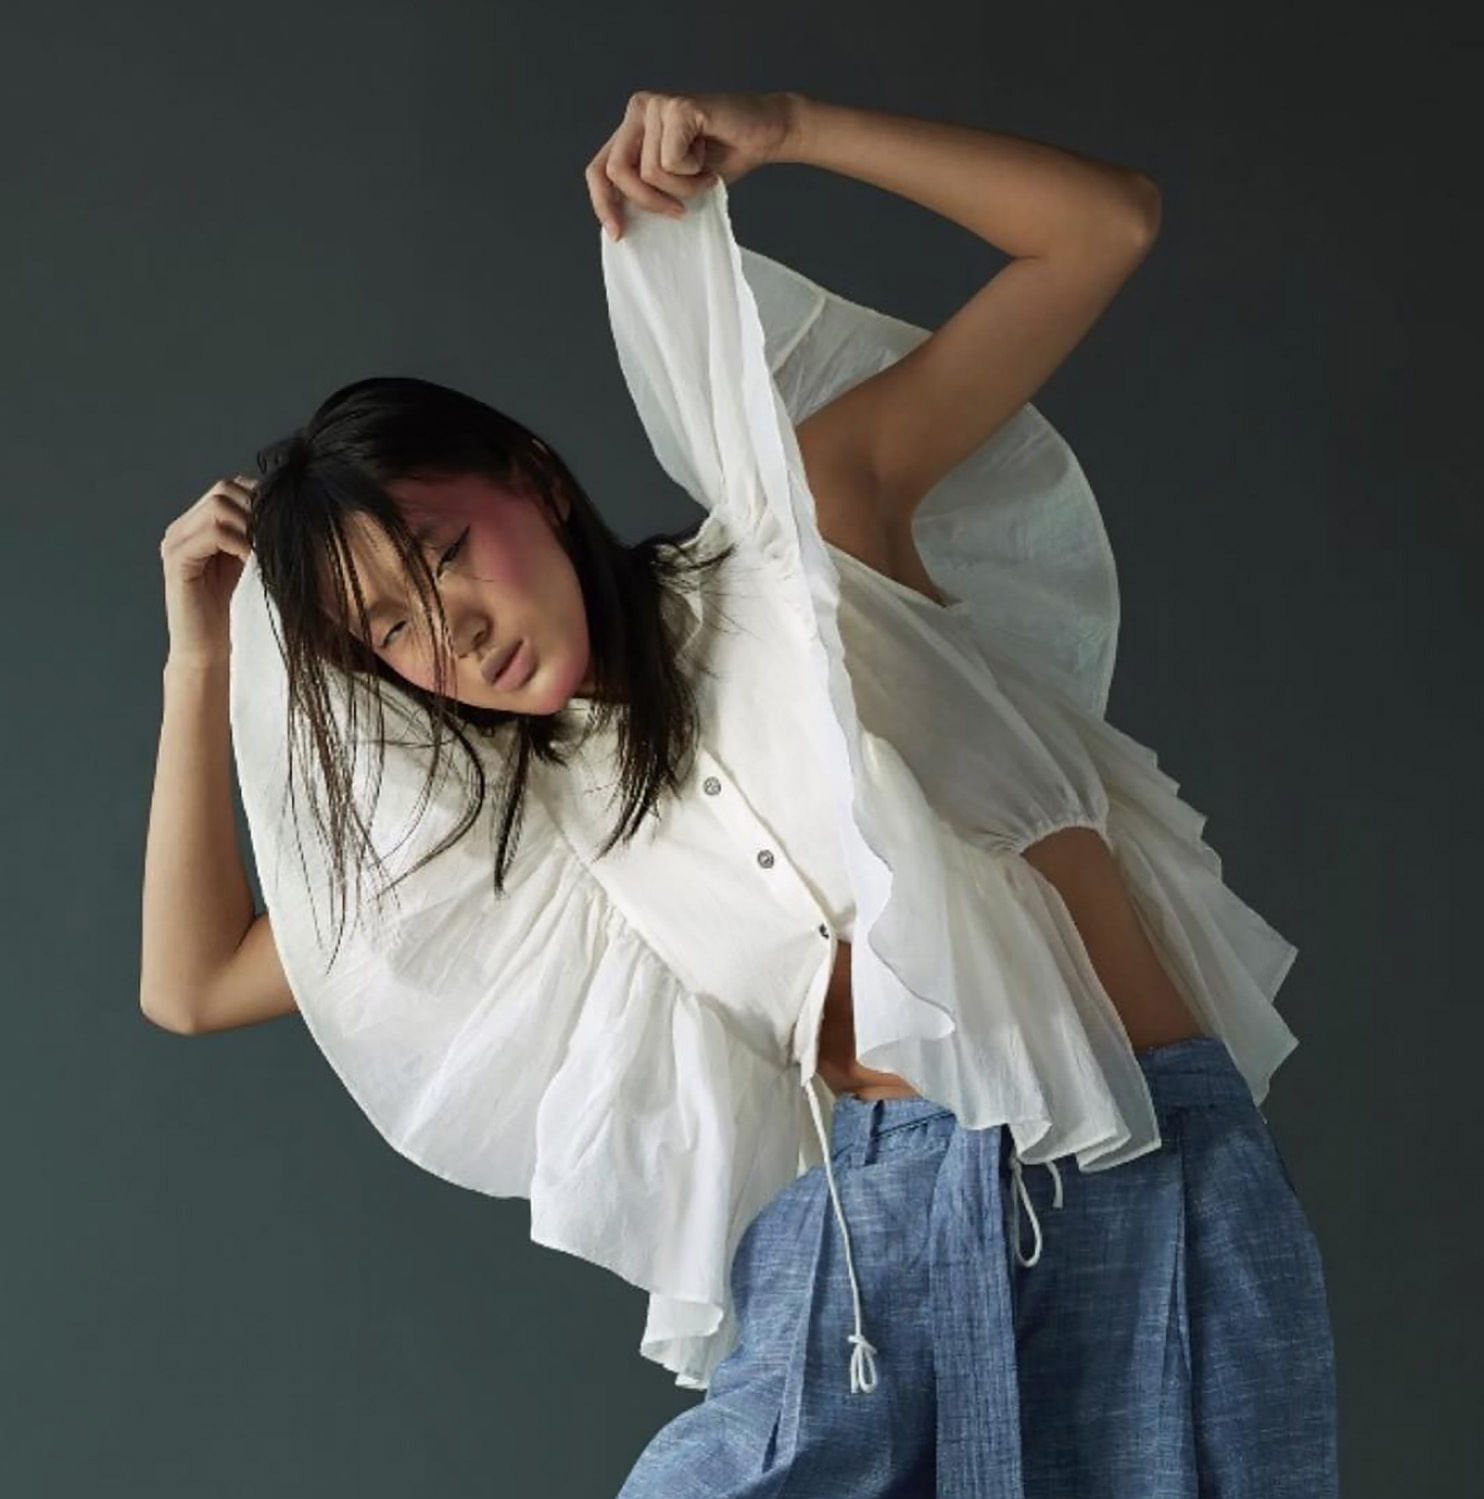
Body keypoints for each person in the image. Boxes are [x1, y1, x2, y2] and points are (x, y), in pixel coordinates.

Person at [141, 89, 1338, 1497]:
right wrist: (201, 657)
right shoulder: (555, 822)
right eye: (391, 631)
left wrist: (789, 128)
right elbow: (195, 981)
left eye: (446, 552)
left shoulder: (815, 537)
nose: (448, 630)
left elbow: (1100, 228)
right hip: (861, 1246)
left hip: (1135, 1180)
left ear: (529, 477)